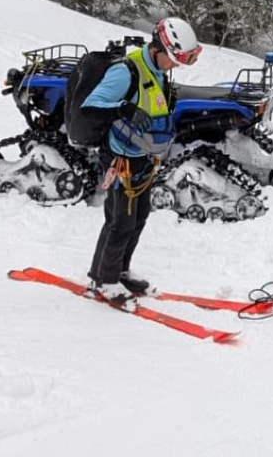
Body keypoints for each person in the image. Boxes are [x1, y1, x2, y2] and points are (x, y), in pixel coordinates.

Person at [80, 17, 202, 307]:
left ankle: (118, 270)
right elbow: (90, 108)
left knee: (138, 217)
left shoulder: (157, 68)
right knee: (120, 221)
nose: (175, 67)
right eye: (173, 60)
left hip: (143, 158)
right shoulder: (125, 72)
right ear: (157, 47)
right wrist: (123, 109)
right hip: (121, 159)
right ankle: (104, 282)